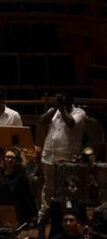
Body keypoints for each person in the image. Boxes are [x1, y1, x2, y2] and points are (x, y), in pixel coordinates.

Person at [38, 93, 86, 222]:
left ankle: (64, 215)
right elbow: (42, 120)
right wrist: (54, 108)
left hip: (66, 156)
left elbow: (71, 123)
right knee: (48, 186)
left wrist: (62, 109)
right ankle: (45, 215)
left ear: (70, 103)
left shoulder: (79, 112)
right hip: (49, 154)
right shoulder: (55, 111)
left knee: (64, 187)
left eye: (64, 102)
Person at [0, 148, 37, 226]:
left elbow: (28, 196)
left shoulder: (21, 176)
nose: (9, 160)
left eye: (12, 158)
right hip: (0, 207)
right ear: (4, 159)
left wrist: (33, 215)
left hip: (17, 209)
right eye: (7, 157)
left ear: (16, 160)